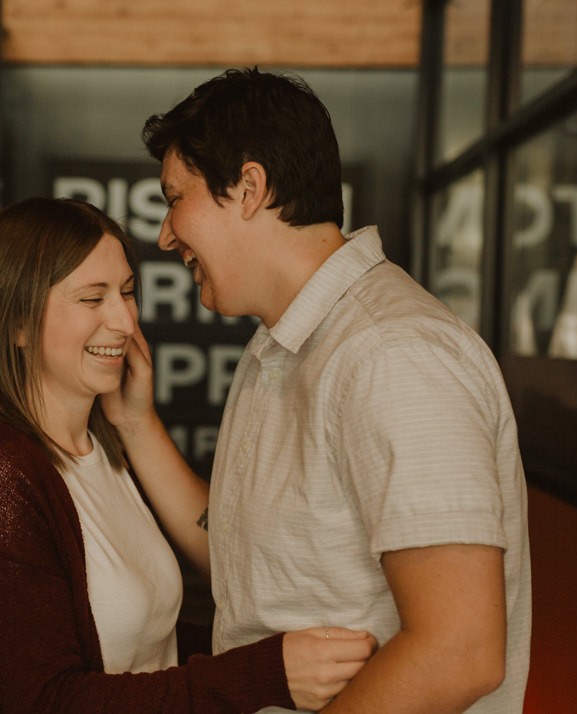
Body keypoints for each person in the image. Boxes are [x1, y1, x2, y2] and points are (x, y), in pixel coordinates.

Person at [105, 68, 532, 713]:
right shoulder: (287, 343)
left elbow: (460, 650)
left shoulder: (392, 353)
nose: (165, 235)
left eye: (174, 198)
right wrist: (137, 424)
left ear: (249, 188)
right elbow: (244, 570)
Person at [0, 196, 376, 713]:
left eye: (128, 292)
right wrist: (264, 673)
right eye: (93, 299)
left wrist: (282, 655)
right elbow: (48, 701)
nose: (123, 321)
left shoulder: (102, 449)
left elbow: (149, 646)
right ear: (18, 325)